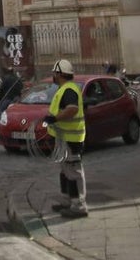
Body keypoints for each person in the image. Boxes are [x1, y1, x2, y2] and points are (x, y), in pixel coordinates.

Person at [42, 59, 87, 218]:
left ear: (60, 74)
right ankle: (67, 201)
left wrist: (55, 119)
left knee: (73, 172)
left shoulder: (69, 90)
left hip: (71, 139)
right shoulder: (64, 89)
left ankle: (78, 206)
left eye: (54, 73)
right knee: (65, 171)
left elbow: (72, 109)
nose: (53, 76)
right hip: (63, 138)